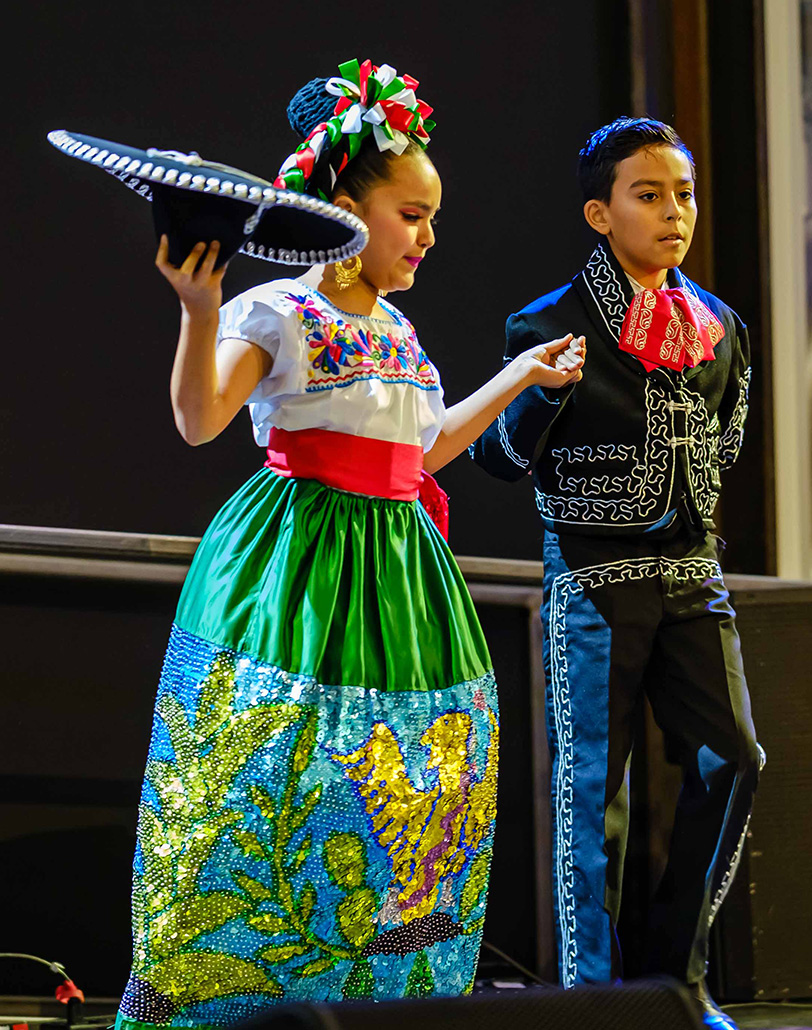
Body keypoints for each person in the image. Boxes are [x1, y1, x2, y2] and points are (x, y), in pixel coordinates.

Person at [115, 61, 585, 1030]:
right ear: (340, 207)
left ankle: (376, 1004)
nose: (425, 237)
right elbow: (200, 418)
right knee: (270, 774)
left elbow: (423, 451)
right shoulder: (281, 311)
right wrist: (198, 310)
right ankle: (226, 1004)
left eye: (430, 218)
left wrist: (516, 376)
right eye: (410, 214)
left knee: (410, 791)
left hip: (401, 574)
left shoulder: (402, 332)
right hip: (300, 565)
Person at [471, 117, 762, 1030]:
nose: (673, 212)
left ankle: (677, 979)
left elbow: (729, 438)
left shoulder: (721, 326)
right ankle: (594, 1003)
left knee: (736, 761)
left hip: (691, 575)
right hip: (596, 578)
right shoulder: (551, 323)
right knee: (594, 798)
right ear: (601, 213)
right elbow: (498, 460)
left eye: (682, 194)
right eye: (648, 195)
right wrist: (541, 396)